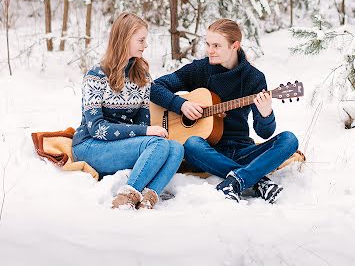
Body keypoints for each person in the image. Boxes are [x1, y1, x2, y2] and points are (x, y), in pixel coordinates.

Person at [151, 18, 298, 203]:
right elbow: (155, 88)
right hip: (208, 150)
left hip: (242, 148)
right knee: (191, 144)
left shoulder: (254, 78)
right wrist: (181, 105)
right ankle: (256, 180)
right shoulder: (200, 69)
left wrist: (266, 113)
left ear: (234, 45)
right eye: (208, 44)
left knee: (289, 140)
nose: (209, 50)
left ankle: (236, 181)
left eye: (216, 45)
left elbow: (265, 132)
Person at [72, 12, 184, 210]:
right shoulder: (96, 76)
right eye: (141, 40)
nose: (145, 45)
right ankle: (126, 197)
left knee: (176, 148)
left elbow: (142, 123)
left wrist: (145, 132)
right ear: (124, 39)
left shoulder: (141, 76)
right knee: (158, 144)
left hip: (120, 145)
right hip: (90, 145)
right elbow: (97, 129)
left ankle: (148, 198)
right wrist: (145, 132)